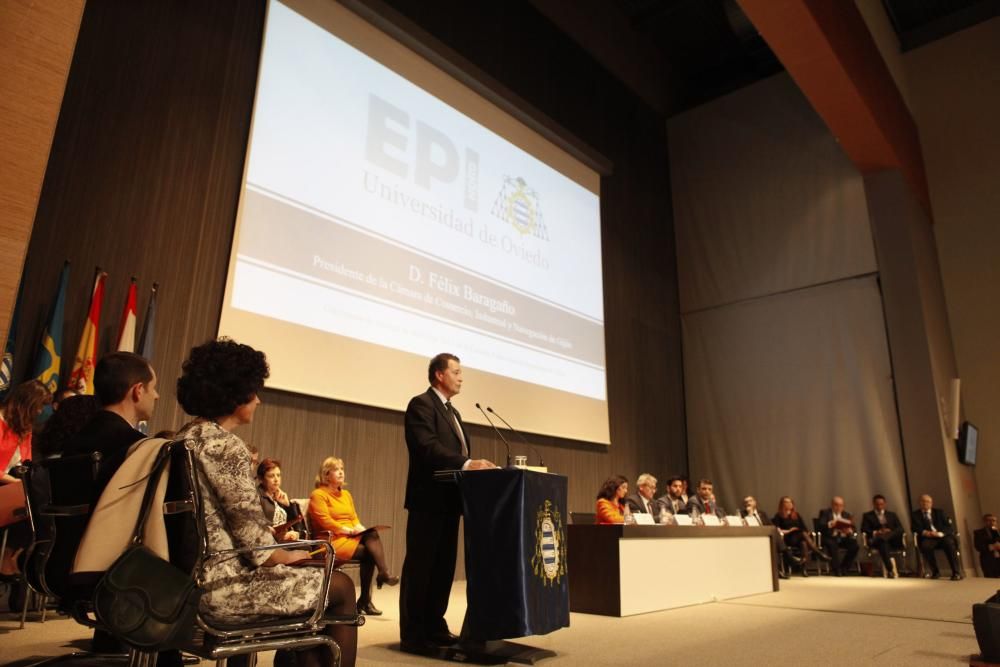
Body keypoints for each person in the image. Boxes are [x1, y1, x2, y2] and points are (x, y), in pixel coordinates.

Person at [175, 338, 357, 667]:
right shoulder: (226, 447)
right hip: (221, 589)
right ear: (235, 392)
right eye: (254, 390)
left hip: (184, 582)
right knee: (340, 585)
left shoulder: (184, 438)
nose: (258, 399)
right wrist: (292, 554)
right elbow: (255, 545)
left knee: (315, 578)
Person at [400, 353, 496, 655]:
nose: (461, 377)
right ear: (439, 375)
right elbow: (427, 447)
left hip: (451, 500)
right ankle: (413, 634)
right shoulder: (421, 405)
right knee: (421, 567)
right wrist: (468, 463)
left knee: (442, 568)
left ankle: (434, 625)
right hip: (428, 500)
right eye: (456, 371)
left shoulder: (453, 413)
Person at [62, 352, 159, 501]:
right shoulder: (140, 448)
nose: (156, 395)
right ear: (138, 391)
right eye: (153, 387)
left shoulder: (73, 440)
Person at [309, 456, 398, 616]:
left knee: (371, 533)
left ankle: (381, 577)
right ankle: (367, 598)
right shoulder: (318, 495)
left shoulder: (346, 495)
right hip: (329, 541)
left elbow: (354, 518)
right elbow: (325, 521)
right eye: (336, 470)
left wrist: (360, 528)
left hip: (348, 537)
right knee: (369, 553)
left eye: (342, 469)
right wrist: (345, 530)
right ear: (326, 474)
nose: (341, 472)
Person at [1, 380, 52, 483]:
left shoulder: (24, 427)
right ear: (27, 402)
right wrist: (15, 482)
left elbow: (26, 463)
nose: (40, 411)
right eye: (40, 405)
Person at [741, 495, 798, 578]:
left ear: (755, 503)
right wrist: (750, 514)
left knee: (774, 534)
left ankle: (778, 570)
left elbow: (771, 526)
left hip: (766, 536)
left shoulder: (762, 513)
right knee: (773, 541)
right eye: (746, 502)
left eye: (750, 501)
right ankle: (788, 557)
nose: (748, 503)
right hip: (754, 538)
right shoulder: (742, 514)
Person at [773, 496, 830, 576]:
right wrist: (789, 530)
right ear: (782, 504)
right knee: (803, 535)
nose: (788, 504)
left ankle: (804, 569)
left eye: (790, 502)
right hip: (788, 538)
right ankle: (818, 553)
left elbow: (804, 527)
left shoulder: (796, 515)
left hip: (799, 537)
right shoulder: (778, 516)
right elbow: (778, 531)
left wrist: (807, 533)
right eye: (786, 502)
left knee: (803, 543)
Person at [911, 494, 962, 580]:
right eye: (923, 501)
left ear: (931, 503)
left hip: (941, 536)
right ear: (920, 503)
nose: (925, 503)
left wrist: (940, 533)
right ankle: (935, 572)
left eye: (927, 502)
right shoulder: (915, 514)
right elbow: (914, 528)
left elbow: (948, 527)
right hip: (928, 537)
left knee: (949, 543)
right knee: (925, 546)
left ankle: (956, 572)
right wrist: (926, 532)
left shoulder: (939, 512)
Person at [256, 458, 302, 542]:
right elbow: (259, 528)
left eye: (278, 475)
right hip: (269, 543)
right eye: (271, 476)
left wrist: (288, 505)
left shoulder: (279, 496)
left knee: (306, 548)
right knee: (305, 550)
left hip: (284, 541)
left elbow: (298, 525)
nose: (276, 479)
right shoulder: (257, 496)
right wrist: (278, 536)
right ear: (261, 479)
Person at [860, 494, 904, 578]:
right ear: (874, 504)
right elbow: (864, 529)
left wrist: (890, 531)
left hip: (892, 540)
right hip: (877, 540)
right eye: (877, 504)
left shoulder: (892, 515)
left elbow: (900, 528)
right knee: (882, 543)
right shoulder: (868, 515)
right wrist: (877, 532)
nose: (880, 506)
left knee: (884, 540)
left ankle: (890, 570)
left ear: (885, 504)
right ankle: (890, 570)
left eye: (881, 504)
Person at [817, 496, 860, 576]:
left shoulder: (846, 514)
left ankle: (844, 568)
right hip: (830, 537)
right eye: (836, 505)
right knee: (832, 545)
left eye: (841, 505)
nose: (839, 507)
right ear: (832, 505)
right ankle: (837, 570)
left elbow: (853, 528)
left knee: (855, 546)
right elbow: (820, 526)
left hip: (843, 537)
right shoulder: (825, 513)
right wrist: (830, 524)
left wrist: (850, 531)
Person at [974, 513, 1000, 578]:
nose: (992, 522)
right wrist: (991, 547)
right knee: (990, 580)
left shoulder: (998, 532)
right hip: (988, 560)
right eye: (989, 520)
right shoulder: (978, 533)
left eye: (994, 520)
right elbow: (978, 546)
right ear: (984, 522)